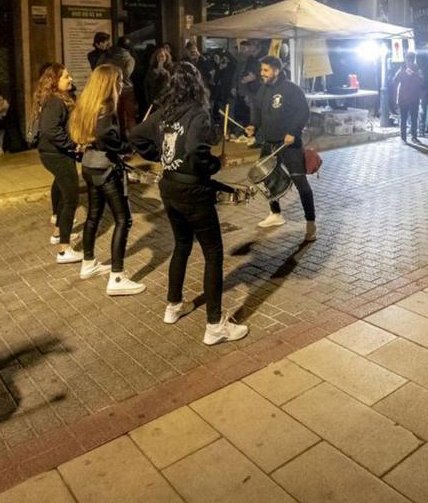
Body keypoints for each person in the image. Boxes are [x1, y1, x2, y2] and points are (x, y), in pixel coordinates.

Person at [130, 63, 248, 345]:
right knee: (213, 253)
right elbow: (197, 149)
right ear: (198, 85)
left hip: (169, 186)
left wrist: (160, 156)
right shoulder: (198, 114)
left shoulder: (165, 113)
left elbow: (135, 135)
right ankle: (215, 325)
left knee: (182, 245)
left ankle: (173, 305)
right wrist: (214, 164)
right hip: (193, 189)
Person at [71, 64, 144, 295]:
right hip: (105, 168)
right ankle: (117, 277)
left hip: (89, 165)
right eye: (119, 80)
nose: (122, 84)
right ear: (109, 82)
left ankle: (88, 263)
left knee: (94, 215)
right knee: (124, 219)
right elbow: (105, 136)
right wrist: (125, 147)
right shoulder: (107, 106)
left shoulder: (88, 103)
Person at [246, 55, 316, 242]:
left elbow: (303, 112)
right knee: (267, 180)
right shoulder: (263, 89)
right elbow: (257, 110)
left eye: (266, 70)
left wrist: (294, 131)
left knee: (301, 184)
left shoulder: (292, 89)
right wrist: (253, 125)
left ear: (276, 70)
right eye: (262, 70)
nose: (262, 74)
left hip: (289, 145)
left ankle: (311, 223)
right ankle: (275, 214)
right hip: (269, 143)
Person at [34, 64, 91, 266]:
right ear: (55, 81)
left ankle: (59, 233)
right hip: (56, 154)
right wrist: (73, 146)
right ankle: (64, 250)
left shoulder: (59, 99)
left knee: (61, 186)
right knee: (71, 199)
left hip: (56, 153)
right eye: (66, 76)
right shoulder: (55, 102)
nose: (71, 79)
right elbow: (50, 130)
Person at [393, 56, 424, 143]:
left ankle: (414, 137)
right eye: (408, 61)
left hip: (414, 98)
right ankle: (403, 138)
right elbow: (395, 80)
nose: (409, 63)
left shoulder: (417, 71)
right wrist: (401, 73)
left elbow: (421, 82)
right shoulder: (401, 70)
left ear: (413, 61)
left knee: (414, 119)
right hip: (403, 98)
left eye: (411, 61)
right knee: (403, 118)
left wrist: (413, 74)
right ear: (405, 62)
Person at [232, 39, 261, 126]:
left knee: (251, 118)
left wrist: (254, 78)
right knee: (241, 116)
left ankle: (250, 135)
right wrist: (233, 87)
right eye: (241, 49)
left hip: (250, 94)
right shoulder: (240, 62)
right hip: (240, 93)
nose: (241, 51)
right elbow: (236, 75)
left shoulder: (255, 61)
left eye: (244, 49)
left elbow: (260, 77)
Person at [145, 48, 174, 112]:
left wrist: (166, 74)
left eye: (162, 56)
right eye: (159, 56)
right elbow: (148, 83)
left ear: (166, 57)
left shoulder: (171, 67)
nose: (160, 58)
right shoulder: (152, 68)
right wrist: (156, 72)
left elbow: (173, 82)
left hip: (167, 97)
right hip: (155, 96)